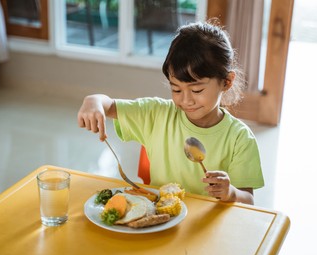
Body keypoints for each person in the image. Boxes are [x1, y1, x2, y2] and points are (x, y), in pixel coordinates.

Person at [77, 21, 264, 205]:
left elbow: (248, 201)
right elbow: (108, 105)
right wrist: (93, 101)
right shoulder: (157, 114)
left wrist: (230, 193)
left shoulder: (240, 138)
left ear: (227, 81)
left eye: (197, 90)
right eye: (176, 89)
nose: (186, 100)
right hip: (159, 222)